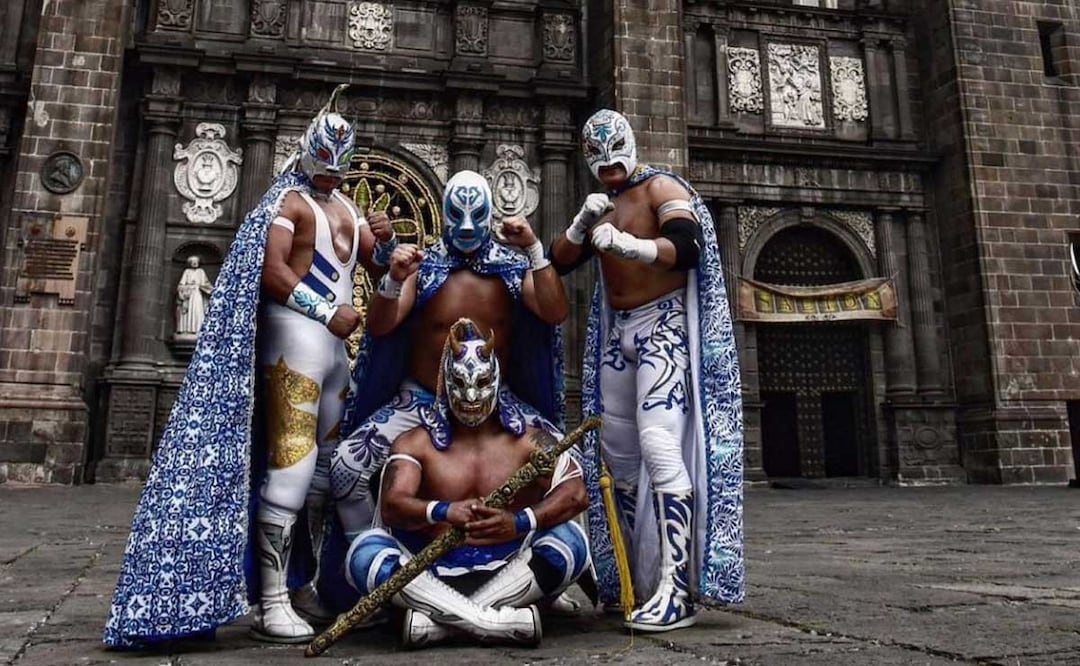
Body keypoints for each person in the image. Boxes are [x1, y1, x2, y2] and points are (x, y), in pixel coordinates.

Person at [103, 85, 395, 648]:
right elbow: (274, 274)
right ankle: (270, 600)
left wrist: (382, 241)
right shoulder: (287, 204)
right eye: (325, 161)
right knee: (291, 464)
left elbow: (373, 259)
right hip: (296, 345)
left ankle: (307, 582)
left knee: (330, 471)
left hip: (333, 353)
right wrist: (324, 310)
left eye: (340, 164)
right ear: (310, 153)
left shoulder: (347, 206)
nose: (332, 173)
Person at [549, 108, 744, 632]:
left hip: (665, 327)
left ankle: (677, 588)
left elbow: (687, 246)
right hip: (620, 333)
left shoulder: (661, 187)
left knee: (661, 445)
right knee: (618, 459)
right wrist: (581, 224)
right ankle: (634, 580)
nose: (611, 171)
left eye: (616, 161)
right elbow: (559, 261)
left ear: (629, 149)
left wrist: (632, 246)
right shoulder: (601, 203)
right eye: (601, 164)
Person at [327, 169, 568, 547]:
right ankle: (370, 562)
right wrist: (392, 279)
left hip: (497, 405)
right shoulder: (423, 268)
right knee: (346, 466)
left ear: (490, 213)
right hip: (422, 400)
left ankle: (544, 564)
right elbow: (381, 327)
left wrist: (535, 248)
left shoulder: (511, 267)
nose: (468, 226)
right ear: (443, 213)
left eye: (477, 215)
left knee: (568, 468)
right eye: (458, 215)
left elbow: (555, 312)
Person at [346, 318, 589, 648]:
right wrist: (444, 511)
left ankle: (441, 626)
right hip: (429, 575)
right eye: (460, 383)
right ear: (446, 383)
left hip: (513, 572)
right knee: (365, 551)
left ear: (496, 379)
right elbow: (391, 506)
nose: (471, 395)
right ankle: (495, 623)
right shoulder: (415, 443)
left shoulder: (530, 441)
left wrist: (518, 521)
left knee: (570, 539)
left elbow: (576, 494)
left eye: (482, 382)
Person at [174, 255, 214, 339]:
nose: (195, 263)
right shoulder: (187, 272)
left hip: (197, 294)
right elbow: (181, 285)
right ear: (190, 263)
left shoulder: (201, 271)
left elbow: (206, 284)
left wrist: (211, 290)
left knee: (197, 310)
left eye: (196, 261)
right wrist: (187, 288)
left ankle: (197, 329)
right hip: (189, 294)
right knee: (187, 312)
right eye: (193, 261)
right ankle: (186, 330)